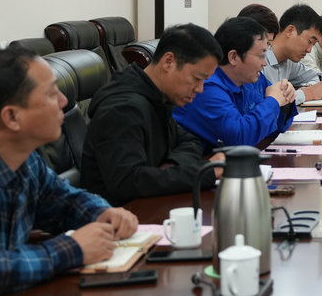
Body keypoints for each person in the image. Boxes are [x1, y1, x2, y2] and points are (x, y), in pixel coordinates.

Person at [0, 47, 138, 296]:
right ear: (12, 117)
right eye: (52, 93)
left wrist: (102, 213)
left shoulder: (23, 158)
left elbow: (64, 202)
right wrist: (71, 249)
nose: (64, 101)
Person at [81, 23, 224, 205]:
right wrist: (206, 172)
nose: (200, 89)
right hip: (117, 215)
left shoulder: (157, 97)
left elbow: (189, 141)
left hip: (150, 205)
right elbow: (128, 182)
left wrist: (171, 167)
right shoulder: (123, 109)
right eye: (197, 78)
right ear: (168, 62)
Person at [174, 17, 297, 152]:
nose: (265, 63)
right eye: (261, 56)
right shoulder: (207, 87)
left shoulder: (253, 79)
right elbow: (239, 138)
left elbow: (278, 125)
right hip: (203, 161)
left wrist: (286, 95)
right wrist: (273, 101)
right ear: (233, 57)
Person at [263, 3, 322, 105]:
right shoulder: (259, 60)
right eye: (310, 41)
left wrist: (308, 88)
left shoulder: (289, 63)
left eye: (313, 44)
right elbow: (265, 103)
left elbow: (320, 77)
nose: (309, 50)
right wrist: (306, 94)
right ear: (290, 31)